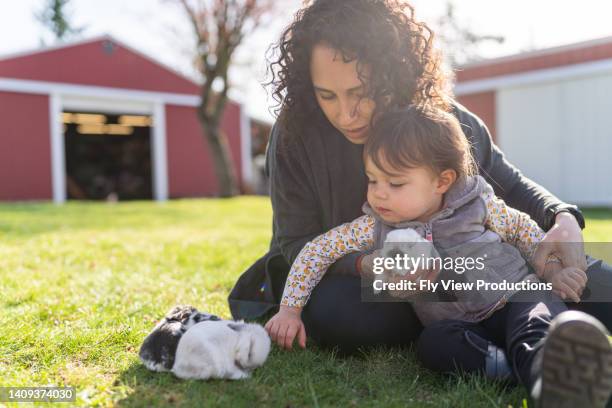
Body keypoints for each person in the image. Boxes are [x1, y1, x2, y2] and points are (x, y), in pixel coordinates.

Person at [227, 0, 612, 382]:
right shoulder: (296, 135)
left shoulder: (442, 121)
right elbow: (297, 243)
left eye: (360, 92)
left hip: (489, 268)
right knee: (346, 314)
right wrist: (371, 265)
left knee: (581, 277)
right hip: (368, 284)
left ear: (394, 72)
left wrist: (561, 219)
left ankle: (545, 345)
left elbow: (509, 185)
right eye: (327, 95)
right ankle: (496, 345)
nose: (346, 113)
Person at [263, 106, 612, 407]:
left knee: (535, 324)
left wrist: (550, 269)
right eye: (372, 180)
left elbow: (521, 229)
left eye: (396, 184)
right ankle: (506, 368)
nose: (379, 194)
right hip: (460, 324)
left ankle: (552, 378)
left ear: (442, 180)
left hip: (518, 293)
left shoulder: (476, 202)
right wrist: (289, 309)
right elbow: (316, 251)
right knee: (434, 345)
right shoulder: (373, 226)